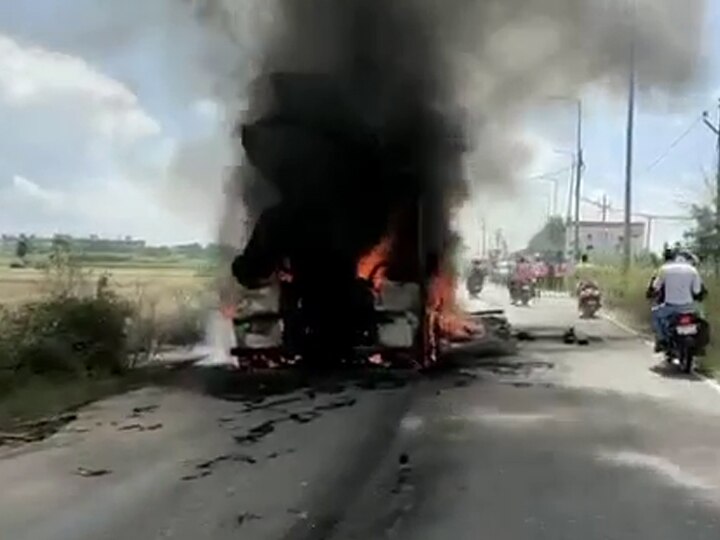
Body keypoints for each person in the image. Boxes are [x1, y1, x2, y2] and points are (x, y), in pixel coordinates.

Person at [650, 249, 705, 351]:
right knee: (701, 319)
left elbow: (656, 286)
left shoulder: (665, 269)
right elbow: (697, 291)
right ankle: (700, 345)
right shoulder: (693, 270)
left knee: (655, 314)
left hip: (671, 307)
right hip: (689, 307)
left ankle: (662, 340)